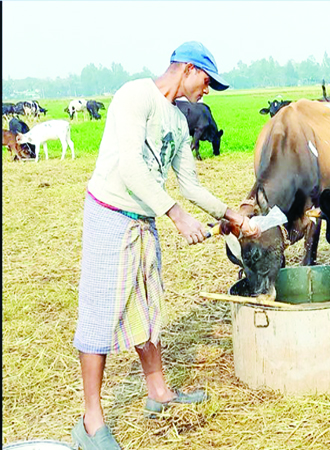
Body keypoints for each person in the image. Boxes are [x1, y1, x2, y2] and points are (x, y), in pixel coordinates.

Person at [71, 41, 260, 449]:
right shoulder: (135, 96)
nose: (207, 91)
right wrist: (175, 214)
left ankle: (158, 394)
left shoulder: (178, 121)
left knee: (147, 306)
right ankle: (90, 421)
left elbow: (190, 184)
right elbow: (130, 165)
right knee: (102, 309)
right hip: (111, 212)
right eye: (207, 80)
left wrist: (231, 216)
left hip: (144, 218)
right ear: (188, 69)